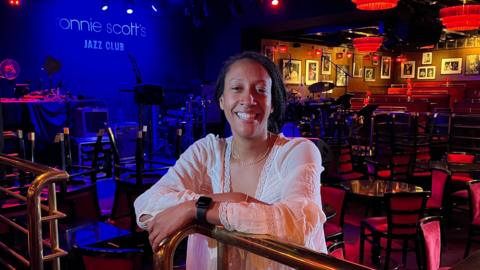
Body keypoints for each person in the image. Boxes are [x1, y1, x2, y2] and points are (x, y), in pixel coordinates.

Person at [134, 51, 327, 269]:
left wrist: (195, 208)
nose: (249, 99)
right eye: (237, 88)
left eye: (261, 90)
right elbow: (146, 204)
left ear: (272, 103)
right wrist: (235, 199)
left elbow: (300, 223)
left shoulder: (299, 151)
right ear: (222, 101)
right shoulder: (206, 151)